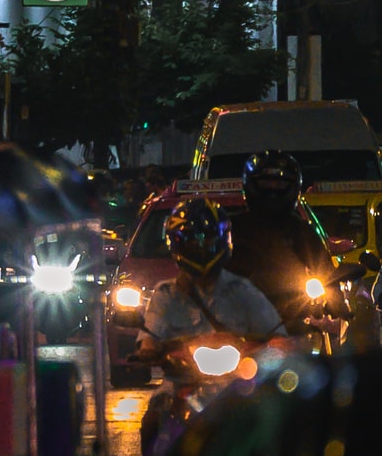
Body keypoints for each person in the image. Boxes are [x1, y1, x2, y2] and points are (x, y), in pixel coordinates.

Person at [140, 194, 284, 359]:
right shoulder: (166, 294)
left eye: (209, 237)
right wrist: (148, 348)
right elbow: (150, 335)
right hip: (181, 374)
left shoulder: (243, 291)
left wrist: (273, 347)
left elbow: (276, 334)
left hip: (241, 373)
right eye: (192, 240)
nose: (200, 245)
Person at [229, 151, 331, 329]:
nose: (272, 190)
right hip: (235, 320)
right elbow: (207, 266)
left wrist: (335, 298)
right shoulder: (231, 227)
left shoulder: (301, 230)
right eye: (266, 183)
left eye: (279, 184)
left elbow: (325, 269)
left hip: (290, 320)